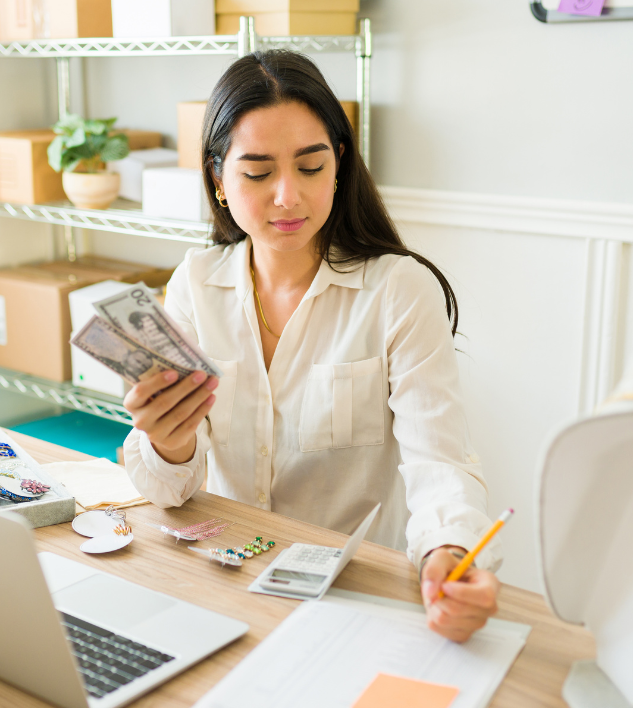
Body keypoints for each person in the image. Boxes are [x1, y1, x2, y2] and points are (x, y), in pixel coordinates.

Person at [121, 50, 500, 641]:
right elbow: (167, 493)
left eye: (310, 166)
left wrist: (447, 551)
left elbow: (440, 462)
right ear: (219, 180)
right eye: (257, 172)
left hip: (350, 600)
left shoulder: (398, 291)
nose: (288, 197)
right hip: (223, 584)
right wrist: (168, 445)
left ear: (340, 165)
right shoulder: (195, 283)